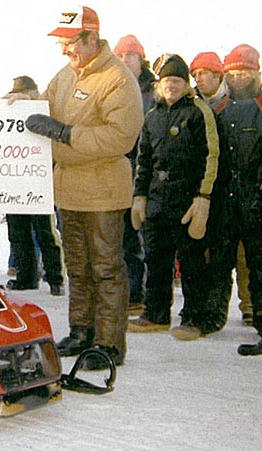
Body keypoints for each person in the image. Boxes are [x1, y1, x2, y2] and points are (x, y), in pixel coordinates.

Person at [11, 5, 144, 368]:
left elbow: (121, 137)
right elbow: (46, 105)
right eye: (62, 43)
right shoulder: (65, 76)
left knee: (105, 267)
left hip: (102, 191)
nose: (65, 50)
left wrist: (67, 134)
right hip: (69, 189)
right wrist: (22, 104)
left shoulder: (117, 79)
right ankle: (82, 328)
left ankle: (109, 342)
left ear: (92, 38)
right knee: (78, 266)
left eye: (71, 42)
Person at [127, 54, 223, 341]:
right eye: (168, 81)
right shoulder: (152, 117)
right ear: (160, 84)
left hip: (187, 200)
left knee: (192, 262)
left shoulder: (198, 112)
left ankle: (194, 318)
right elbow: (143, 160)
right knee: (155, 259)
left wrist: (203, 198)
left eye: (178, 81)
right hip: (157, 200)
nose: (172, 86)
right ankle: (155, 313)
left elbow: (212, 156)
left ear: (186, 84)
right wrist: (139, 197)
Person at [209, 44, 262, 355]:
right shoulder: (221, 110)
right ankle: (212, 316)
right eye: (233, 73)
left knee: (258, 265)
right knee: (221, 261)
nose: (239, 78)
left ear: (256, 73)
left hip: (256, 195)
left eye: (244, 72)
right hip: (229, 199)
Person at [3, 76, 65, 295]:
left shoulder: (46, 111)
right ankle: (31, 276)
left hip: (38, 180)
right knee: (22, 232)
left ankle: (52, 277)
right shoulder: (10, 114)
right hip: (19, 179)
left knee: (43, 232)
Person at [112, 34, 155, 316]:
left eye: (131, 55)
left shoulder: (153, 92)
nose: (126, 60)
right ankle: (132, 293)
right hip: (119, 172)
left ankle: (143, 296)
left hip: (146, 172)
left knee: (145, 237)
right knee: (124, 236)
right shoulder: (113, 87)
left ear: (141, 59)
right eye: (122, 56)